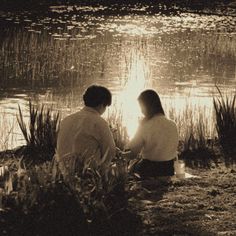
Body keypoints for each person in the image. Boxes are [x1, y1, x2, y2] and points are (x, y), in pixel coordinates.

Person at [56, 85, 116, 175]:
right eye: (105, 106)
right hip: (87, 174)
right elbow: (110, 151)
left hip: (65, 171)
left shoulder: (66, 120)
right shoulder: (99, 122)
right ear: (101, 104)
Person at [123, 89, 178, 178]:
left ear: (147, 106)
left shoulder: (145, 125)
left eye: (141, 107)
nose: (141, 111)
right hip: (168, 169)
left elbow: (133, 154)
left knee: (132, 164)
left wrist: (119, 155)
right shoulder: (173, 124)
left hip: (149, 169)